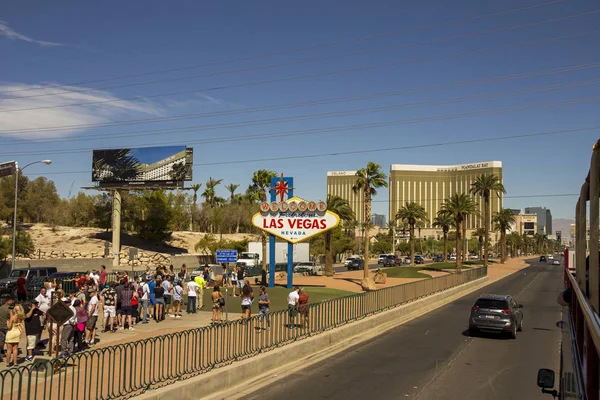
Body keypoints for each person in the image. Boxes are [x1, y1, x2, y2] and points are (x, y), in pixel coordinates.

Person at [0, 296, 15, 362]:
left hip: (1, 326)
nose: (12, 302)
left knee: (1, 339)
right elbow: (12, 318)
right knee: (9, 340)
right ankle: (10, 352)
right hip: (7, 327)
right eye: (12, 301)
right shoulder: (9, 309)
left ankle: (2, 351)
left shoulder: (1, 307)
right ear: (8, 301)